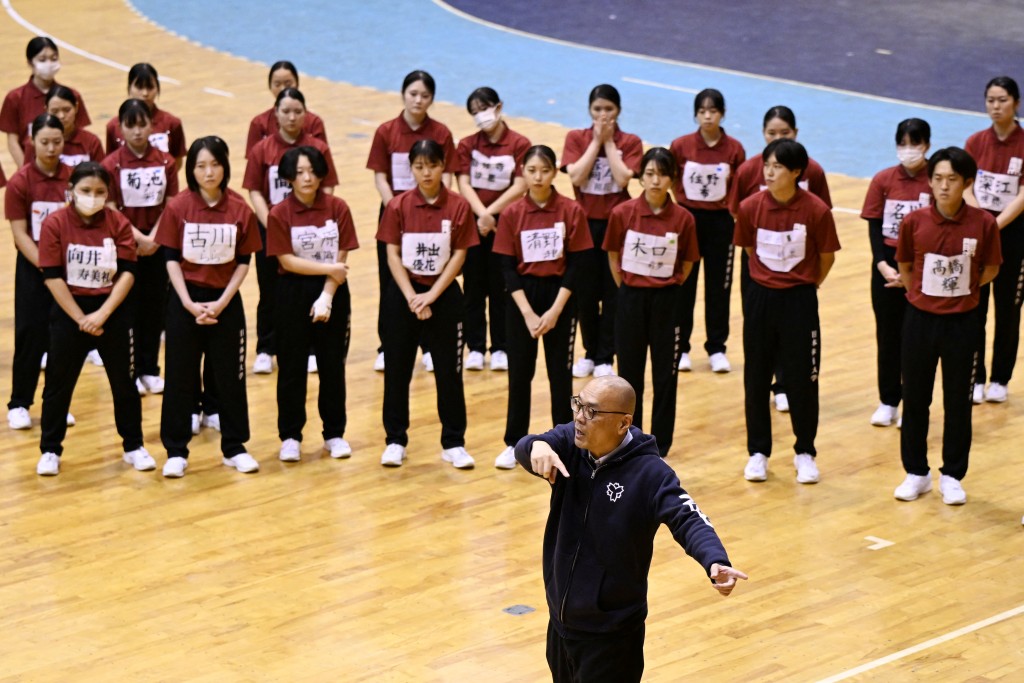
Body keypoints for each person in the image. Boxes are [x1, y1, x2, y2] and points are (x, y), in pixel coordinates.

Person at [514, 375, 747, 683]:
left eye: (592, 412)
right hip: (561, 624)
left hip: (611, 636)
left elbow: (688, 518)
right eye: (578, 405)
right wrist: (536, 446)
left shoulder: (651, 474)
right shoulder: (571, 443)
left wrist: (714, 559)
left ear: (623, 423)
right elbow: (527, 447)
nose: (580, 417)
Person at [894, 147, 1001, 505]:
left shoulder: (983, 223)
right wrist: (923, 297)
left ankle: (952, 474)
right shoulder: (915, 222)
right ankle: (916, 472)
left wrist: (961, 296)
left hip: (963, 323)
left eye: (952, 179)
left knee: (958, 400)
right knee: (916, 398)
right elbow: (906, 266)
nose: (943, 186)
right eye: (937, 178)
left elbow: (990, 269)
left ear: (967, 183)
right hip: (919, 321)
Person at [734, 139, 840, 484]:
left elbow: (826, 258)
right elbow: (749, 249)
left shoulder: (816, 211)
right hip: (761, 299)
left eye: (778, 166)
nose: (769, 171)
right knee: (757, 376)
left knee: (803, 379)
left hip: (800, 301)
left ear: (796, 172)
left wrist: (805, 285)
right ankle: (758, 452)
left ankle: (805, 451)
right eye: (767, 165)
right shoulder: (750, 207)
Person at [155, 136, 263, 478]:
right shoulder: (178, 207)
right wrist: (187, 302)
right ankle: (176, 451)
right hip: (185, 301)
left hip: (225, 302)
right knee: (179, 375)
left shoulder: (239, 207)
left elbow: (244, 261)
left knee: (231, 377)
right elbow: (170, 257)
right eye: (201, 165)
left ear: (225, 166)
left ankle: (234, 447)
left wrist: (222, 301)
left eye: (215, 164)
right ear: (191, 170)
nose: (208, 171)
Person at [35, 162, 149, 475]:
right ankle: (50, 450)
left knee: (125, 383)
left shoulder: (118, 222)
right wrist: (80, 318)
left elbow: (128, 272)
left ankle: (133, 446)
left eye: (100, 192)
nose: (92, 197)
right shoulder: (55, 223)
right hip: (70, 313)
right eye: (85, 191)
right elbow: (52, 276)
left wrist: (102, 314)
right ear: (70, 191)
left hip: (111, 311)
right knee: (58, 385)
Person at [375, 139, 478, 469]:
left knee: (450, 371)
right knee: (397, 370)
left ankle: (453, 442)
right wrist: (411, 297)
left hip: (444, 296)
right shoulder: (398, 206)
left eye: (432, 165)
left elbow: (460, 254)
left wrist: (432, 296)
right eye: (419, 166)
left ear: (442, 166)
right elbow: (391, 253)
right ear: (411, 169)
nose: (426, 172)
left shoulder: (458, 206)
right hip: (404, 296)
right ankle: (395, 440)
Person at [492, 145, 592, 469]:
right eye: (532, 170)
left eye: (545, 170)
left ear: (554, 172)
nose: (538, 177)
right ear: (522, 172)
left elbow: (577, 264)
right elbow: (507, 268)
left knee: (559, 375)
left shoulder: (570, 210)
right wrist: (529, 313)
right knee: (520, 373)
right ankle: (514, 442)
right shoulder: (511, 213)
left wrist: (554, 311)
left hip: (559, 296)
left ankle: (564, 442)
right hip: (523, 298)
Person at [731, 106, 832, 411]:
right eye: (772, 133)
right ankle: (769, 385)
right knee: (760, 332)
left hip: (798, 277)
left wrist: (810, 278)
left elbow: (823, 223)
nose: (777, 137)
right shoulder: (750, 170)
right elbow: (740, 216)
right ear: (763, 134)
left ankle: (786, 385)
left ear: (795, 134)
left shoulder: (812, 172)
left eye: (784, 133)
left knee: (795, 336)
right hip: (760, 269)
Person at [604, 147, 699, 458]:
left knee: (665, 376)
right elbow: (613, 255)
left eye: (662, 174)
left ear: (672, 179)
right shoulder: (623, 213)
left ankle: (660, 445)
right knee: (629, 377)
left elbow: (687, 263)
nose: (655, 180)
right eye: (649, 174)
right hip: (631, 300)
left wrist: (665, 288)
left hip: (668, 303)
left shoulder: (684, 218)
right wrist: (631, 289)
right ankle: (631, 440)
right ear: (640, 177)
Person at [265, 146, 358, 462]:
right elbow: (286, 261)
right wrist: (327, 271)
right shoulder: (279, 213)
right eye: (300, 172)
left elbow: (342, 256)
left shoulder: (338, 207)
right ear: (289, 177)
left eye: (312, 171)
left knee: (332, 365)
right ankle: (290, 436)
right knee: (291, 367)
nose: (306, 178)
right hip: (292, 292)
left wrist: (327, 294)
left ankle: (334, 434)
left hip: (333, 291)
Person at [244, 87, 338, 375]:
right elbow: (255, 191)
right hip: (272, 230)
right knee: (269, 290)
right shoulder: (263, 149)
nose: (292, 116)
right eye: (285, 111)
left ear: (306, 114)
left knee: (311, 285)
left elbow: (328, 185)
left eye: (298, 111)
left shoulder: (317, 148)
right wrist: (271, 223)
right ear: (275, 114)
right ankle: (266, 348)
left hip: (311, 231)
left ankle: (311, 349)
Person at [366, 70, 456, 372]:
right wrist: (396, 207)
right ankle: (386, 345)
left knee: (429, 273)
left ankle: (429, 346)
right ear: (403, 94)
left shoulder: (441, 133)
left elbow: (447, 175)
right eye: (413, 93)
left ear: (432, 99)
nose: (418, 100)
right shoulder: (386, 131)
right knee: (390, 280)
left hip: (431, 214)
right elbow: (380, 175)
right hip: (395, 213)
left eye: (425, 95)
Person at [561, 84, 643, 379]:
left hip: (617, 225)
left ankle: (606, 356)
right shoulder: (576, 138)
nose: (603, 115)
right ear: (589, 111)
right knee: (584, 292)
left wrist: (609, 144)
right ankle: (589, 352)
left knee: (612, 291)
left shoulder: (631, 141)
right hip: (583, 224)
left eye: (609, 109)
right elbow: (576, 177)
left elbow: (623, 180)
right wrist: (595, 142)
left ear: (618, 111)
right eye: (597, 109)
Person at [101, 98, 179, 396]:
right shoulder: (111, 165)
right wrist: (137, 238)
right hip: (125, 247)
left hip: (157, 248)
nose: (136, 132)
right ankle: (129, 371)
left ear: (151, 126)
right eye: (130, 125)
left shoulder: (165, 162)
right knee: (127, 310)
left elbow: (172, 204)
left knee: (154, 309)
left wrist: (155, 238)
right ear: (120, 129)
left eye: (142, 124)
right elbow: (110, 207)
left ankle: (150, 369)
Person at [861, 118, 932, 427]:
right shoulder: (883, 180)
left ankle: (914, 404)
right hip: (888, 266)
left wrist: (913, 272)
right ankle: (888, 400)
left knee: (917, 339)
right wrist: (882, 264)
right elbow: (875, 224)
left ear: (927, 145)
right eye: (902, 144)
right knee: (888, 335)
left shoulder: (936, 180)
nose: (908, 150)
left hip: (923, 268)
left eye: (914, 143)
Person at [670, 88, 746, 374]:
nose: (707, 116)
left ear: (722, 113)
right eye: (702, 111)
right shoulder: (681, 146)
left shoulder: (734, 149)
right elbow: (670, 178)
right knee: (683, 285)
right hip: (688, 221)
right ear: (695, 114)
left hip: (720, 223)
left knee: (719, 287)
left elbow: (738, 188)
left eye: (712, 111)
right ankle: (682, 348)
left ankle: (716, 348)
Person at [456, 86, 530, 372]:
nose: (480, 116)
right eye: (474, 112)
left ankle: (501, 346)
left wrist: (492, 214)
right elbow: (462, 183)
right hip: (475, 226)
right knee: (473, 287)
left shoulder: (519, 144)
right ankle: (475, 347)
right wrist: (482, 215)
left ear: (498, 107)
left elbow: (521, 184)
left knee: (502, 288)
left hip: (504, 227)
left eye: (483, 109)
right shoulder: (466, 144)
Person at [5, 114, 72, 431]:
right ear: (32, 141)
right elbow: (20, 234)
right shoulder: (20, 182)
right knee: (30, 335)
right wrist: (46, 267)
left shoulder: (73, 179)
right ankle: (19, 402)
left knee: (61, 340)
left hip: (67, 271)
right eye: (44, 142)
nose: (51, 148)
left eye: (56, 142)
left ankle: (56, 404)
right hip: (34, 269)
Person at [964, 76, 1024, 404]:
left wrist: (997, 223)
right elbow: (965, 185)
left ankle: (1000, 378)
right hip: (981, 233)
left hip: (1014, 236)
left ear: (1015, 103)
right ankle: (976, 377)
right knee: (976, 307)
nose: (995, 106)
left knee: (1008, 309)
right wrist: (984, 223)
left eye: (1002, 100)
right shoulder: (975, 142)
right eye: (990, 100)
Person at [1, 36, 91, 168]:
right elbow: (12, 141)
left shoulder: (72, 96)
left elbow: (79, 134)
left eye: (53, 58)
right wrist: (25, 171)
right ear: (30, 62)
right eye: (42, 59)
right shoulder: (15, 98)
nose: (49, 63)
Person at [105, 63, 187, 171]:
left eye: (150, 87)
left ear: (158, 88)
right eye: (139, 87)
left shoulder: (172, 123)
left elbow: (177, 162)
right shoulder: (113, 126)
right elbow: (111, 163)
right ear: (129, 87)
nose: (145, 93)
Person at [245, 60, 327, 158]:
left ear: (297, 83)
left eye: (288, 83)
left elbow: (323, 161)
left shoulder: (314, 122)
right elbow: (253, 165)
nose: (283, 88)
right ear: (270, 86)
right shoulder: (259, 123)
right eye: (277, 84)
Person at [22, 86, 103, 169]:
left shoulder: (92, 142)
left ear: (76, 107)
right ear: (46, 110)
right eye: (55, 111)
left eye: (67, 110)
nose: (61, 116)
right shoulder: (35, 143)